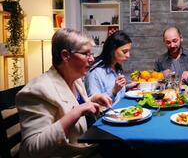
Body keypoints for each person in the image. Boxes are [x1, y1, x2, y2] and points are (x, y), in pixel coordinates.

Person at [16, 28, 112, 157]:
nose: (92, 59)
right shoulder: (37, 91)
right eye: (86, 54)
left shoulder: (75, 80)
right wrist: (77, 112)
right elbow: (32, 149)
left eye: (92, 54)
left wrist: (92, 99)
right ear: (65, 55)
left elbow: (69, 103)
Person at [85, 30, 137, 103]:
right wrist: (114, 90)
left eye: (129, 51)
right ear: (112, 50)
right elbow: (94, 103)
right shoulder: (95, 72)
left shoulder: (115, 66)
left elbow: (115, 93)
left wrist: (126, 88)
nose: (128, 55)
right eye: (124, 52)